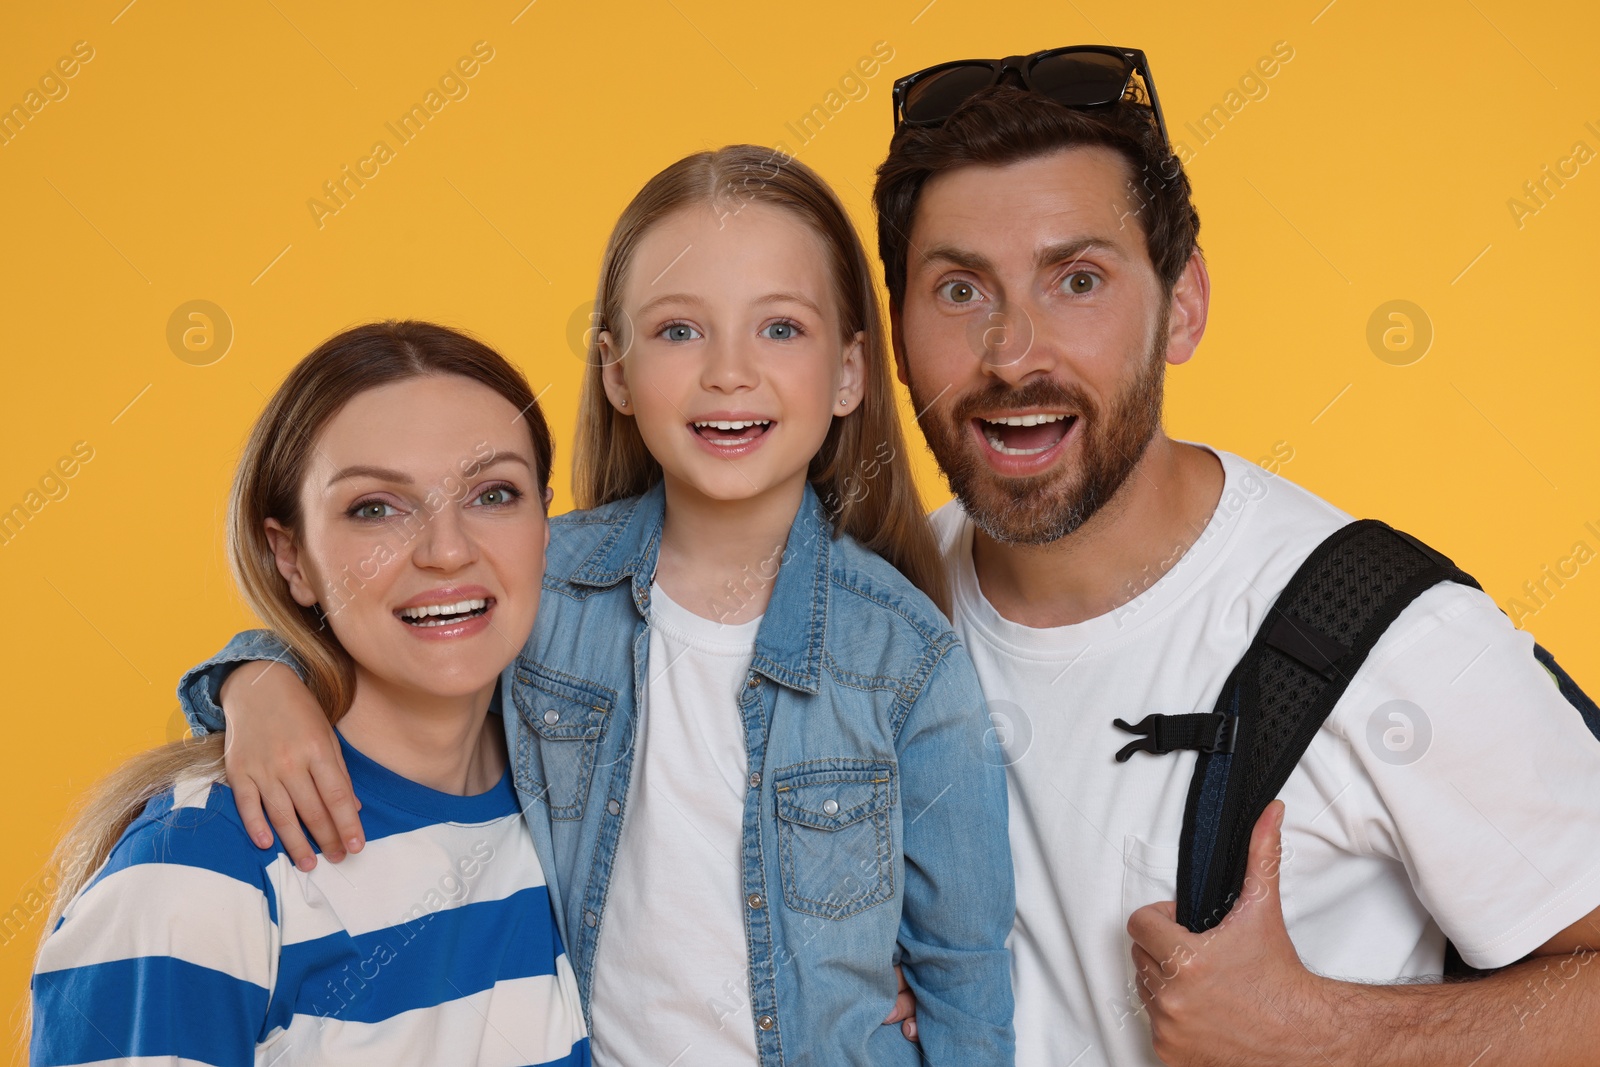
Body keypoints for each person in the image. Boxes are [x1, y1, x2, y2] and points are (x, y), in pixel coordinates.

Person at [169, 147, 1016, 1065]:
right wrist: (256, 677)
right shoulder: (541, 583)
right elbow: (395, 627)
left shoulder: (907, 656)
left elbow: (963, 972)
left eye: (780, 329)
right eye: (679, 332)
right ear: (615, 369)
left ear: (850, 373)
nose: (729, 373)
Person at [872, 47, 1600, 1067]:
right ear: (895, 334)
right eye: (957, 289)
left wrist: (1325, 1033)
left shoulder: (1383, 638)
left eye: (1077, 278)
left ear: (1181, 304)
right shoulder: (875, 605)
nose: (1011, 352)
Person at [30, 322, 589, 1065]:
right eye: (374, 507)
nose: (448, 549)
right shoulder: (200, 869)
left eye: (494, 493)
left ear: (546, 524)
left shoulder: (579, 799)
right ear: (290, 557)